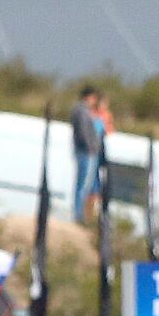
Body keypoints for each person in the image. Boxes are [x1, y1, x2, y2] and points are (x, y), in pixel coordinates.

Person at [71, 86, 103, 223]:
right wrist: (91, 147)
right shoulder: (82, 111)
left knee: (85, 184)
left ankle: (81, 214)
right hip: (86, 152)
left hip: (86, 151)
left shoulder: (83, 111)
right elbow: (84, 132)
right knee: (83, 184)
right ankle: (79, 215)